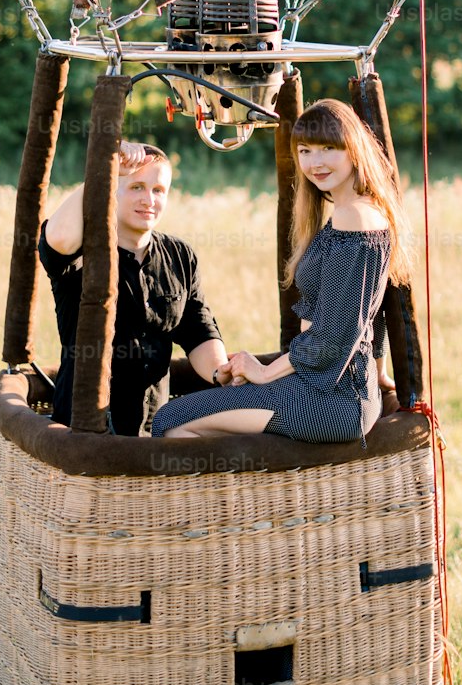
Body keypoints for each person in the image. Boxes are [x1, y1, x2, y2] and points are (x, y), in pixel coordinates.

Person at [151, 98, 412, 442]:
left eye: (328, 149)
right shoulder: (358, 212)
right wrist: (377, 374)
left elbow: (332, 338)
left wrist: (265, 371)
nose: (314, 162)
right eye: (305, 150)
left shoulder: (355, 219)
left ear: (353, 149)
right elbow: (368, 314)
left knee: (170, 420)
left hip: (331, 398)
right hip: (331, 386)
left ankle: (239, 497)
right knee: (201, 414)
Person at [38, 141, 228, 433]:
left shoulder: (180, 255)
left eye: (158, 190)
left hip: (154, 430)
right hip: (85, 429)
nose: (149, 200)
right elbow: (59, 239)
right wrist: (104, 170)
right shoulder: (83, 249)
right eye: (136, 187)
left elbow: (198, 330)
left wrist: (221, 372)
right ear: (111, 190)